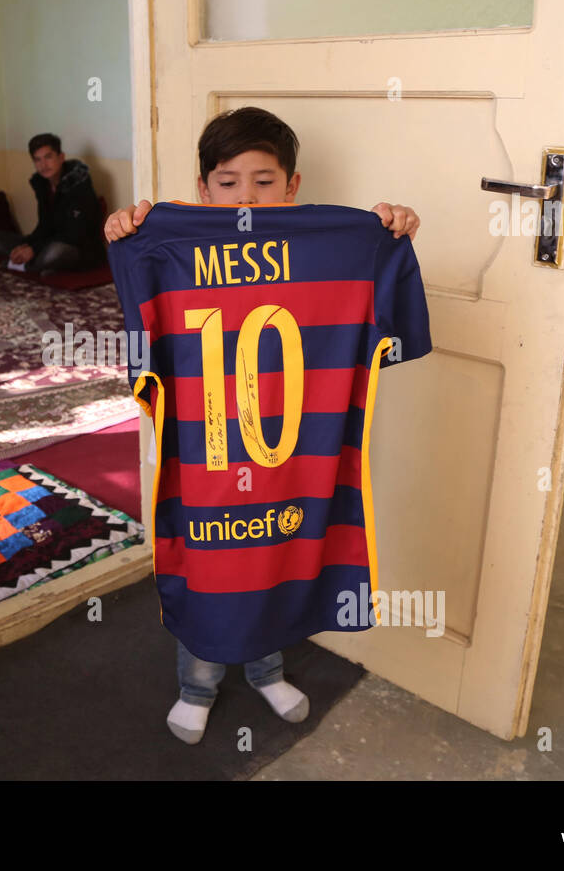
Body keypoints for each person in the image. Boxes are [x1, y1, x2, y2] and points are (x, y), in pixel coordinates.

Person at [103, 106, 422, 745]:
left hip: (293, 463)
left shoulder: (337, 251)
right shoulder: (165, 247)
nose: (245, 195)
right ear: (202, 190)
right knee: (211, 575)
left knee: (274, 564)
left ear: (293, 187)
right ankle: (198, 684)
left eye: (264, 180)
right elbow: (143, 349)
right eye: (227, 181)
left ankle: (267, 669)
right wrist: (126, 236)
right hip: (206, 461)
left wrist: (393, 236)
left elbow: (399, 333)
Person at [0, 133, 105, 275]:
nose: (43, 165)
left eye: (48, 157)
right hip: (47, 243)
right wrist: (28, 245)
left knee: (56, 252)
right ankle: (41, 266)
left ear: (61, 157)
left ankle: (28, 267)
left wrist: (34, 249)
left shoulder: (79, 184)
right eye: (38, 160)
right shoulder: (42, 184)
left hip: (77, 247)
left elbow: (75, 233)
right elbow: (44, 226)